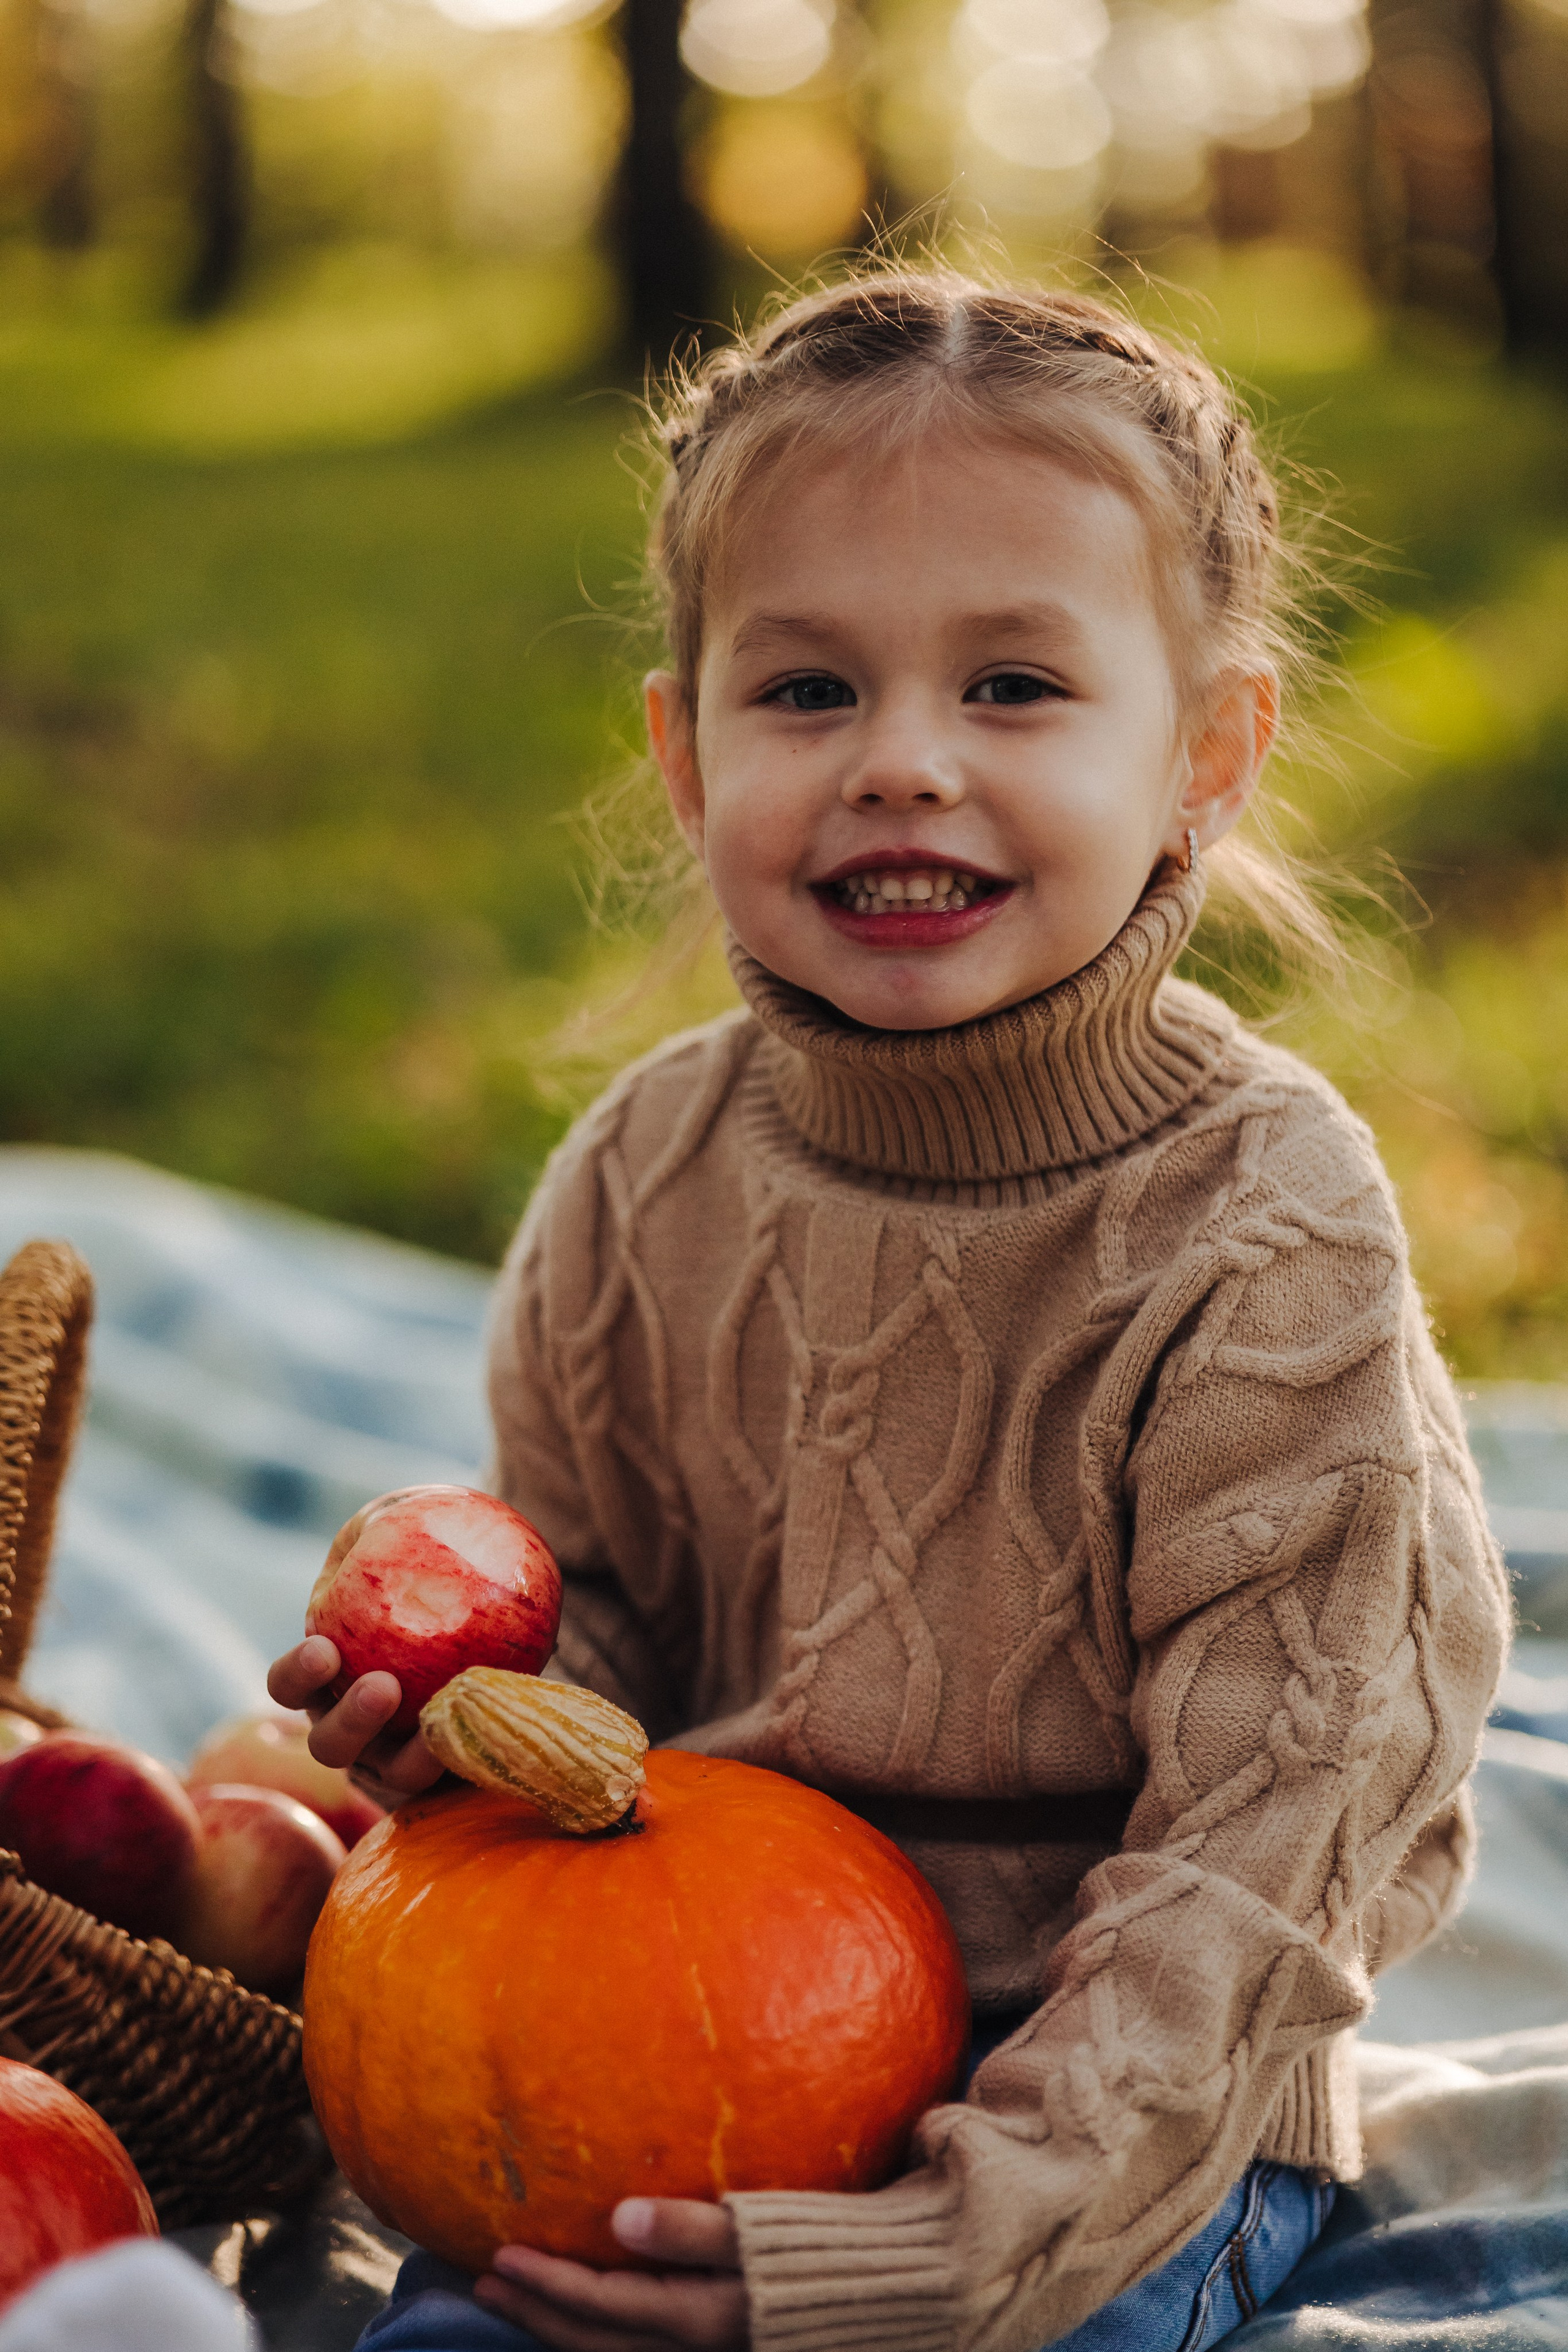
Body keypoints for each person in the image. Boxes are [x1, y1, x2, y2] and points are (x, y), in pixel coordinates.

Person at [270, 268, 1510, 2352]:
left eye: (1016, 687)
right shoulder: (647, 1175)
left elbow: (1271, 1850)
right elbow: (621, 1638)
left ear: (1208, 747)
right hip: (683, 2062)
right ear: (683, 752)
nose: (903, 765)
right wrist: (468, 1728)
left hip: (1116, 2121)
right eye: (808, 692)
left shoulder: (1262, 1224)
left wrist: (948, 2250)